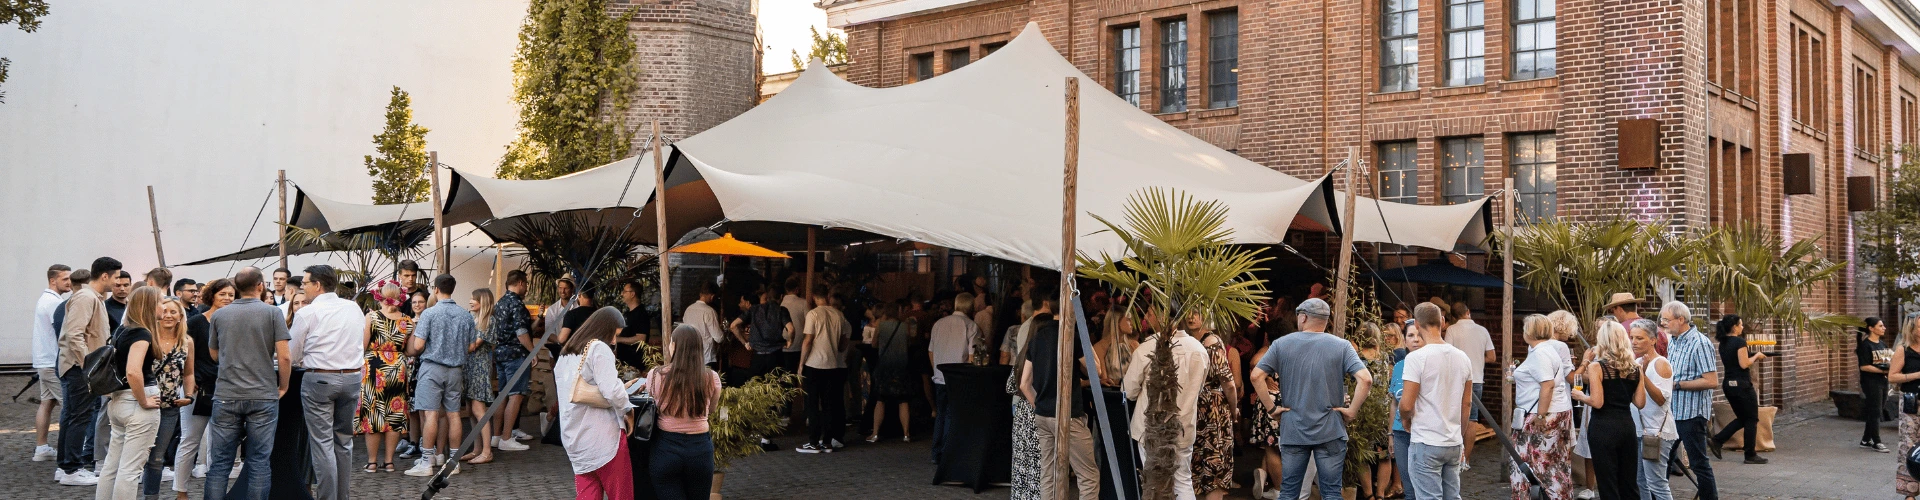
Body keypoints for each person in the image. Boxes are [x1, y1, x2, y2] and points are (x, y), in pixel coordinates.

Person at [1252, 298, 1374, 500]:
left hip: (1294, 428)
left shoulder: (1282, 344)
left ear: (1304, 317)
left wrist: (1272, 409)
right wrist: (1351, 411)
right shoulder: (1342, 346)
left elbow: (1256, 376)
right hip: (1331, 428)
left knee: (1289, 491)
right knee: (1332, 492)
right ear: (1325, 320)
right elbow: (1366, 379)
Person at [202, 267, 292, 500]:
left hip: (226, 393)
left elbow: (213, 353)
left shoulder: (220, 315)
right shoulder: (272, 313)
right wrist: (283, 386)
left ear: (236, 288)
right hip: (262, 393)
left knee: (220, 462)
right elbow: (284, 356)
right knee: (259, 461)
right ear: (260, 285)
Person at [284, 265, 364, 500]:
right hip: (351, 377)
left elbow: (293, 352)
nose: (303, 288)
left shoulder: (307, 313)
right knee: (344, 440)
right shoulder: (353, 308)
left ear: (317, 285)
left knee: (322, 443)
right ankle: (342, 497)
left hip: (319, 378)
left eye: (305, 284)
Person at [1125, 307, 1210, 499]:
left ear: (1165, 315)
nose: (1146, 316)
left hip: (1150, 429)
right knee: (1183, 481)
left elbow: (1129, 390)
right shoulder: (1199, 349)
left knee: (1153, 482)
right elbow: (1200, 386)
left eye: (1151, 312)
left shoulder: (1148, 347)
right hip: (1183, 426)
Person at [1019, 306, 1099, 500]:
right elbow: (1096, 371)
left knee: (1049, 474)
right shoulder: (1071, 336)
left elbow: (1024, 384)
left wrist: (1040, 407)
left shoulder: (1037, 337)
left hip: (1043, 415)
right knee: (1088, 476)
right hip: (1069, 416)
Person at [556, 307, 636, 499]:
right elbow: (612, 391)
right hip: (603, 439)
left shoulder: (566, 353)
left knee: (587, 494)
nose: (614, 341)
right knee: (621, 495)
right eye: (613, 335)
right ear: (603, 329)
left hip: (574, 440)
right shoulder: (598, 348)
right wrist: (628, 410)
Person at [97, 287, 167, 500]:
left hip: (118, 401)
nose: (164, 306)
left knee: (112, 466)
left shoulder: (122, 330)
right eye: (161, 302)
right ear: (149, 305)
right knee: (130, 470)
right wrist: (144, 400)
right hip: (137, 401)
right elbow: (133, 370)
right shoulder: (141, 333)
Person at [405, 274, 477, 477]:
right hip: (455, 370)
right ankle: (452, 461)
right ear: (452, 289)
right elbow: (471, 346)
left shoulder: (429, 314)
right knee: (454, 415)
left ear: (436, 289)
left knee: (431, 414)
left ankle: (427, 461)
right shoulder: (465, 315)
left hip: (432, 368)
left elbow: (418, 346)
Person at [59, 257, 121, 486]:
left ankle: (65, 466)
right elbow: (74, 334)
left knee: (72, 416)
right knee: (79, 417)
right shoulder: (86, 297)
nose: (117, 283)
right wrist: (90, 365)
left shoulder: (91, 297)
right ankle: (71, 470)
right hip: (80, 368)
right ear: (104, 276)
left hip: (78, 367)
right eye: (115, 277)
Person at [1399, 302, 1472, 500]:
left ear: (1416, 323)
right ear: (1442, 321)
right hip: (1453, 441)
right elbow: (1467, 404)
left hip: (1426, 440)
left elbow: (1406, 404)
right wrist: (1460, 433)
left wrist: (1405, 419)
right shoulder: (1463, 358)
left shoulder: (1416, 358)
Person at [1569, 320, 1644, 500]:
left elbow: (1597, 402)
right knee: (1628, 482)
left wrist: (1580, 397)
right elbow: (1640, 402)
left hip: (1603, 427)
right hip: (1627, 427)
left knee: (1607, 482)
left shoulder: (1597, 367)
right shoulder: (1636, 368)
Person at [646, 324, 720, 500]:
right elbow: (711, 409)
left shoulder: (656, 375)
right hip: (700, 449)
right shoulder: (711, 377)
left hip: (666, 447)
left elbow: (652, 406)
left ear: (674, 346)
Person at [174, 279, 231, 494]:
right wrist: (190, 381)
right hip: (198, 388)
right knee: (190, 440)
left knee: (220, 443)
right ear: (212, 296)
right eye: (222, 294)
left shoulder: (234, 322)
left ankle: (215, 492)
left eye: (231, 295)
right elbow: (186, 353)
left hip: (225, 388)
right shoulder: (197, 322)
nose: (227, 298)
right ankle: (181, 492)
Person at [1509, 314, 1573, 500]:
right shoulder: (1548, 349)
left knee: (1532, 464)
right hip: (1557, 410)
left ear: (1529, 331)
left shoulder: (1540, 353)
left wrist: (1541, 416)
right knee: (1555, 464)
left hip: (1540, 413)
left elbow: (1547, 384)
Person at [140, 298, 195, 500]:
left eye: (174, 312)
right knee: (139, 456)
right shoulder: (147, 338)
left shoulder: (187, 342)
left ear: (181, 317)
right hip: (144, 404)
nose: (169, 315)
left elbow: (189, 373)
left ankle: (150, 497)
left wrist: (188, 396)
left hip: (170, 407)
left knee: (156, 457)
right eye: (165, 311)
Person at [1661, 301, 1718, 500]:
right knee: (1664, 459)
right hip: (1672, 411)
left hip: (1692, 413)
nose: (1663, 323)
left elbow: (1711, 381)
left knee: (1698, 463)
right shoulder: (1673, 341)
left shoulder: (1700, 343)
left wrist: (1678, 384)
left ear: (1681, 319)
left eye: (1666, 320)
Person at [358, 282, 412, 473]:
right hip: (397, 368)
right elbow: (412, 349)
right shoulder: (407, 320)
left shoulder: (371, 317)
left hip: (374, 367)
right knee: (394, 414)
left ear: (379, 296)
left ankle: (372, 462)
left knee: (374, 414)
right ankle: (389, 462)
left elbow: (363, 345)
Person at [796, 284, 851, 453]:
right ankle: (827, 441)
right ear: (827, 295)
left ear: (813, 297)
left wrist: (800, 364)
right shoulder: (839, 315)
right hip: (833, 364)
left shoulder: (813, 314)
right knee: (829, 404)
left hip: (814, 364)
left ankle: (813, 441)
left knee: (812, 404)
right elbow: (843, 345)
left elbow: (808, 340)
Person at [1628, 319, 1676, 500]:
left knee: (1657, 482)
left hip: (1657, 432)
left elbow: (1661, 399)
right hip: (1641, 430)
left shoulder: (1660, 363)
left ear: (1653, 340)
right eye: (1632, 337)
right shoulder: (1638, 361)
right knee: (1641, 481)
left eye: (1639, 338)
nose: (1634, 342)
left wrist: (1642, 375)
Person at [928, 293, 980, 462]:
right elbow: (973, 356)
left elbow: (931, 351)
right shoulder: (971, 326)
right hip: (959, 377)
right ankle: (948, 452)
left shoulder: (938, 324)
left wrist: (936, 368)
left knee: (941, 413)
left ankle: (936, 451)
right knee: (953, 414)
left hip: (940, 376)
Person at [1190, 317, 1237, 500]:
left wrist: (1233, 409)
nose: (1191, 316)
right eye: (1190, 310)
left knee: (1208, 464)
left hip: (1208, 409)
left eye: (1197, 312)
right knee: (1210, 466)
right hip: (1207, 409)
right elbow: (1229, 383)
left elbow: (1229, 384)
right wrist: (1233, 410)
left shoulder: (1211, 342)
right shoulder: (1200, 341)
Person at [1444, 302, 1495, 466]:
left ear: (1453, 316)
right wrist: (1479, 360)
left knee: (1454, 417)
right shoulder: (1483, 330)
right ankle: (1466, 459)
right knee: (1472, 419)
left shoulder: (1451, 330)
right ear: (1468, 312)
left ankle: (1454, 457)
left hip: (1455, 379)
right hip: (1477, 378)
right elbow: (1492, 357)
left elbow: (1447, 354)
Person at [1710, 314, 1766, 464]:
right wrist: (1756, 356)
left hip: (1729, 384)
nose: (1742, 327)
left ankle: (1717, 440)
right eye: (1740, 324)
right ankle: (1750, 454)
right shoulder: (1740, 342)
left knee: (1743, 418)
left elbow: (1734, 361)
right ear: (1734, 326)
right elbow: (1744, 364)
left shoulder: (1723, 342)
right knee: (1752, 418)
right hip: (1742, 385)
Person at [489, 271, 535, 452]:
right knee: (516, 395)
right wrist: (533, 351)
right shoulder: (517, 304)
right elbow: (521, 332)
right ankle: (507, 438)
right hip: (516, 354)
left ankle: (497, 435)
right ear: (521, 283)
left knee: (502, 395)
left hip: (500, 354)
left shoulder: (500, 303)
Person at [1000, 299, 1040, 500]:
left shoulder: (1023, 357)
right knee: (1036, 465)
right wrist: (1038, 406)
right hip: (1035, 413)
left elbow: (1012, 386)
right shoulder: (1038, 357)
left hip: (1021, 412)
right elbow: (1023, 385)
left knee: (1022, 464)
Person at [32, 264, 72, 462]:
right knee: (70, 407)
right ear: (53, 280)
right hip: (51, 362)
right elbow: (61, 333)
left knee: (46, 403)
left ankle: (42, 448)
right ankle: (69, 453)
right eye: (65, 279)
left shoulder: (47, 299)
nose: (69, 282)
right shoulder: (53, 302)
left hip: (44, 360)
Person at [868, 302, 921, 442]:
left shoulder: (881, 325)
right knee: (903, 400)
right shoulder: (905, 326)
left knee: (880, 400)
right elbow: (910, 343)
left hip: (884, 366)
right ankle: (906, 434)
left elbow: (874, 344)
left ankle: (875, 433)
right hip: (901, 365)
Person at [460, 288, 498, 465]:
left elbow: (474, 345)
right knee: (471, 411)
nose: (470, 301)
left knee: (478, 410)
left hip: (479, 368)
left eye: (474, 299)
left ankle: (487, 451)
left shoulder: (488, 320)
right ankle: (477, 449)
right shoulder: (473, 319)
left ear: (483, 302)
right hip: (469, 367)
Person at [1386, 321, 1423, 500]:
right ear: (1405, 341)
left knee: (1424, 487)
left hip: (1423, 433)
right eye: (1410, 335)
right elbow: (1394, 402)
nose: (1415, 340)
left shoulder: (1430, 364)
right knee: (1408, 488)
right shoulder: (1399, 367)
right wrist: (1390, 433)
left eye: (1419, 335)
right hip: (1401, 434)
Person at [1890, 316, 1920, 500]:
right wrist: (1916, 375)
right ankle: (1909, 493)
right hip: (1912, 405)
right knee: (1909, 449)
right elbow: (1892, 377)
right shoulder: (1904, 350)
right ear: (1913, 329)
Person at [734, 288, 794, 379]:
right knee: (775, 387)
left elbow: (733, 325)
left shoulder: (754, 309)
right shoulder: (781, 310)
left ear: (767, 298)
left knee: (756, 388)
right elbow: (791, 329)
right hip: (776, 357)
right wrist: (790, 341)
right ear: (782, 297)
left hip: (757, 357)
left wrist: (745, 343)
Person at [1861, 317, 1893, 452]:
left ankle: (1865, 439)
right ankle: (1876, 441)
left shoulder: (1882, 344)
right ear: (1871, 328)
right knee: (1875, 411)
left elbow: (1889, 361)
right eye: (1880, 326)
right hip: (1870, 382)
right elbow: (1864, 366)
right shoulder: (1866, 345)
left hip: (1883, 381)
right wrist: (1882, 370)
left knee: (1878, 409)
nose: (1884, 328)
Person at [681, 283, 726, 371]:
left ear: (700, 294)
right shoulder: (709, 311)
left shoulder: (688, 309)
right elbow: (718, 338)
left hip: (689, 356)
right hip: (705, 358)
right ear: (712, 296)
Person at [1093, 308, 1139, 388]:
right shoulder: (1100, 347)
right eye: (1128, 320)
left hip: (1132, 393)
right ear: (1117, 322)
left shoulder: (1134, 345)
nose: (1132, 323)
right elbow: (1105, 380)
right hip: (1111, 394)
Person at [780, 277, 811, 376]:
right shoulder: (803, 303)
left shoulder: (780, 302)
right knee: (796, 375)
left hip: (781, 344)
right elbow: (810, 322)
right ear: (797, 289)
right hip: (798, 345)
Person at [617, 280, 652, 368]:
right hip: (623, 361)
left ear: (632, 294)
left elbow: (641, 338)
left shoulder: (641, 314)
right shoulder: (628, 313)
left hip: (634, 363)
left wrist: (618, 339)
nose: (622, 294)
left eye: (625, 291)